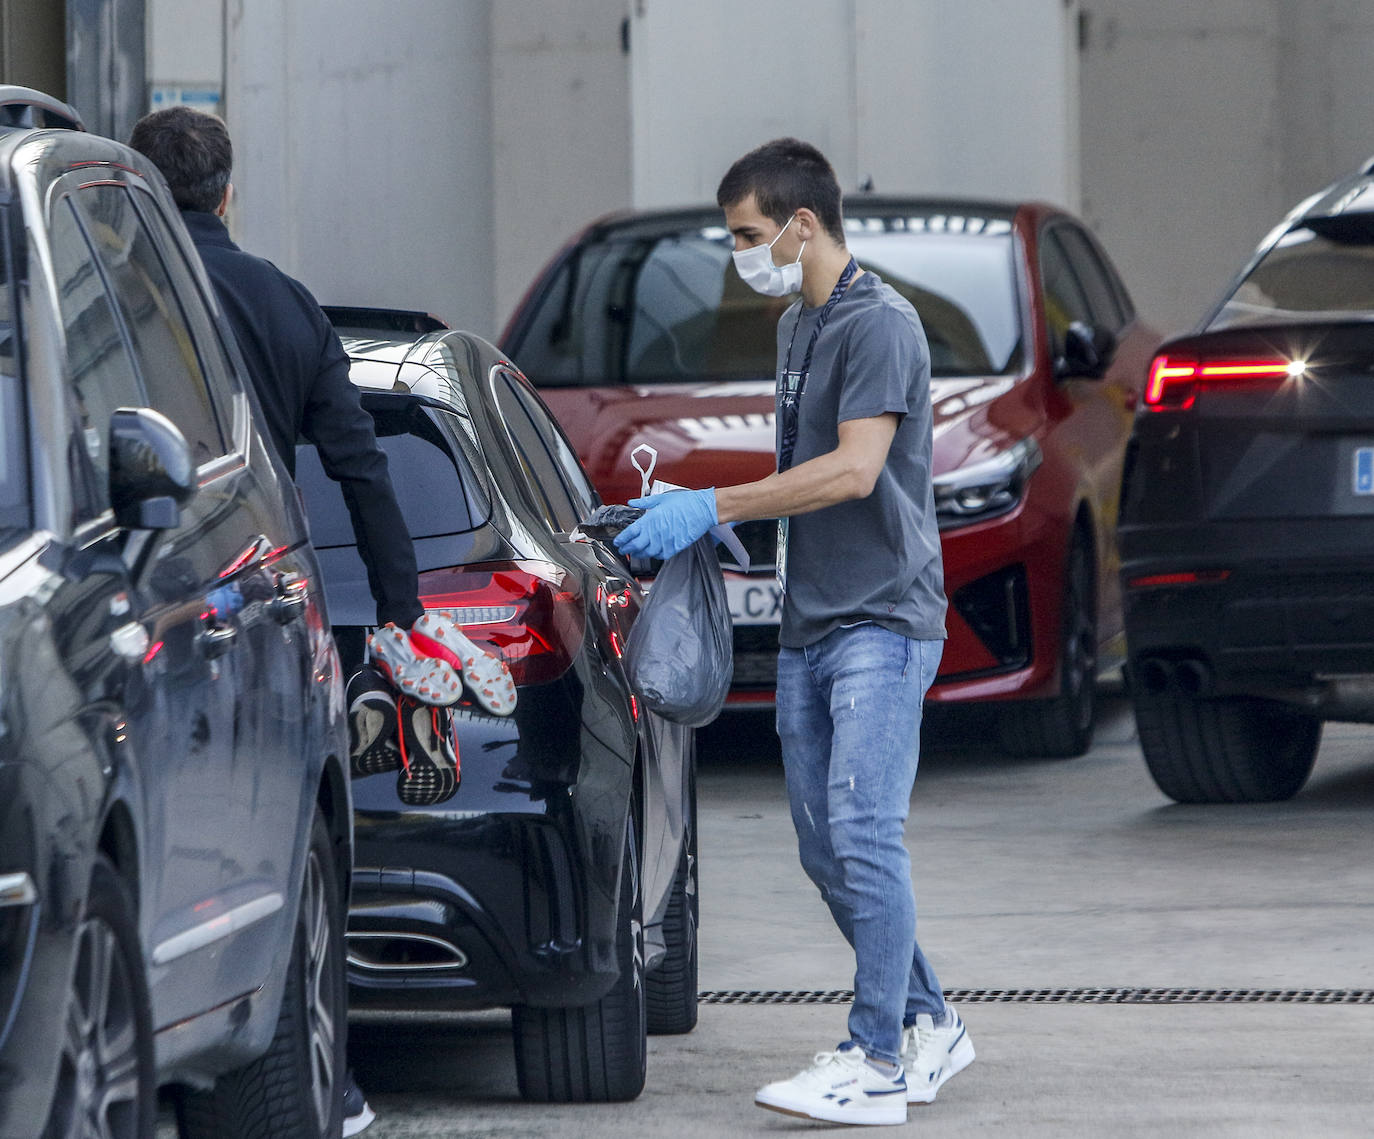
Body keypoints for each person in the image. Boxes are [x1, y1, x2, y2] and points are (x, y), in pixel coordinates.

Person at [615, 138, 973, 1127]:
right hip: (814, 616)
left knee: (863, 829)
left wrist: (715, 501)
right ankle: (932, 1018)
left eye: (747, 234)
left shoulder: (881, 323)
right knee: (825, 850)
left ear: (803, 225)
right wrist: (715, 519)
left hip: (883, 617)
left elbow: (857, 470)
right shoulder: (793, 326)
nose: (740, 252)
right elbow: (806, 470)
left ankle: (878, 1060)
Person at [129, 105, 417, 1138]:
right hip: (263, 601)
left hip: (141, 608)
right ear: (230, 190)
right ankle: (320, 1086)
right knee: (288, 844)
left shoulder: (117, 293)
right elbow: (360, 463)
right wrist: (398, 610)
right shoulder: (286, 304)